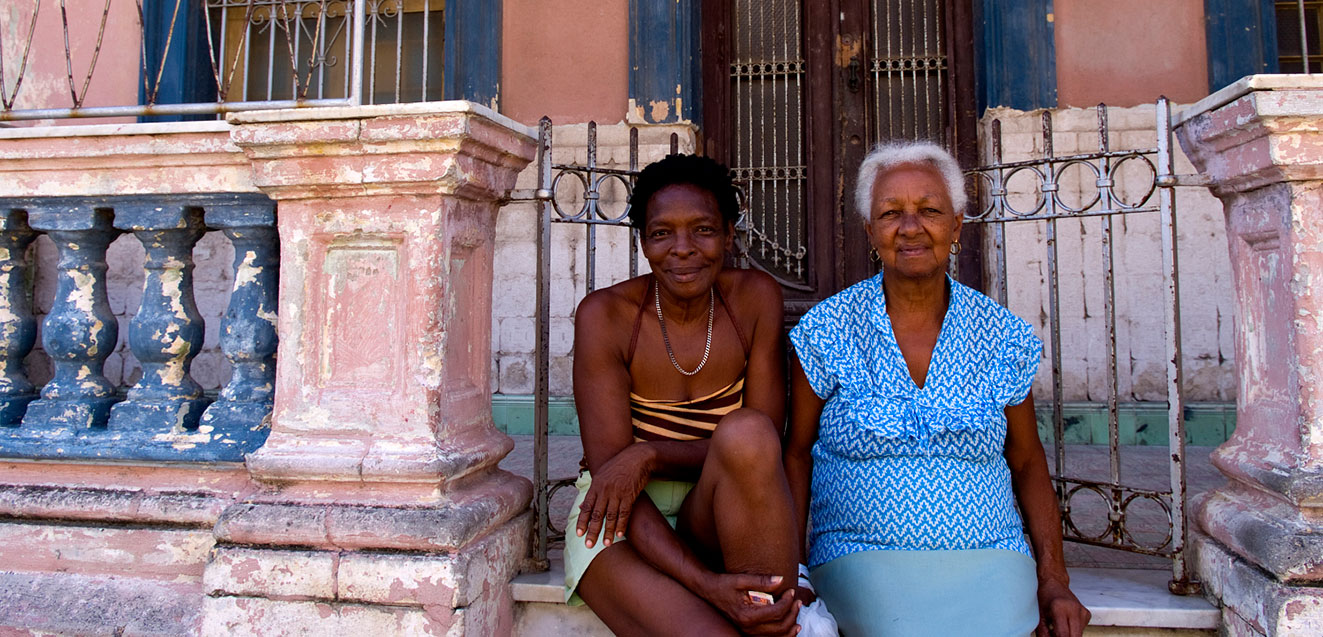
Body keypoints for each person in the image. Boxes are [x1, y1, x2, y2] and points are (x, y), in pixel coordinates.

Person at [784, 141, 1092, 636]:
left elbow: (1029, 461)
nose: (910, 227)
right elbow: (795, 455)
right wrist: (794, 571)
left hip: (991, 555)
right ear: (870, 230)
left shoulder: (1002, 335)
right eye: (890, 213)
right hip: (860, 557)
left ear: (957, 225)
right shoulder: (828, 328)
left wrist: (1053, 578)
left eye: (929, 210)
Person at [565, 154, 804, 636]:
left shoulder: (755, 299)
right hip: (619, 517)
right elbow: (615, 478)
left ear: (730, 235)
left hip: (716, 505)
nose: (683, 249)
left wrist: (648, 454)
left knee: (750, 432)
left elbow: (759, 450)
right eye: (661, 233)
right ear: (643, 243)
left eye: (703, 230)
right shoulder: (605, 317)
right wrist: (708, 586)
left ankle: (774, 603)